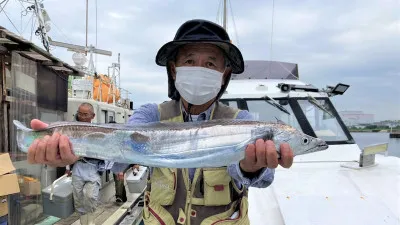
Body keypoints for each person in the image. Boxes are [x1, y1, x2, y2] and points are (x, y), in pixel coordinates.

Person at [26, 19, 294, 225]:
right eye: (190, 60)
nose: (200, 68)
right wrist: (73, 149)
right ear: (175, 70)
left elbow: (264, 179)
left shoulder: (242, 122)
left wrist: (249, 168)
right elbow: (120, 143)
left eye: (211, 64)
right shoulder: (151, 115)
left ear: (224, 75)